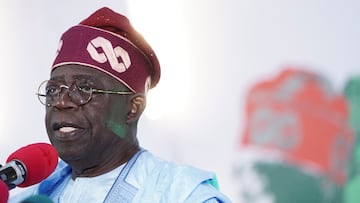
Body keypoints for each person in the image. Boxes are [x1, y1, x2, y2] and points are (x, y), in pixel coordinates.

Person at [9, 7, 231, 203]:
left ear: (133, 108)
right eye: (52, 90)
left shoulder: (182, 195)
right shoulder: (34, 193)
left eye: (84, 89)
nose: (62, 102)